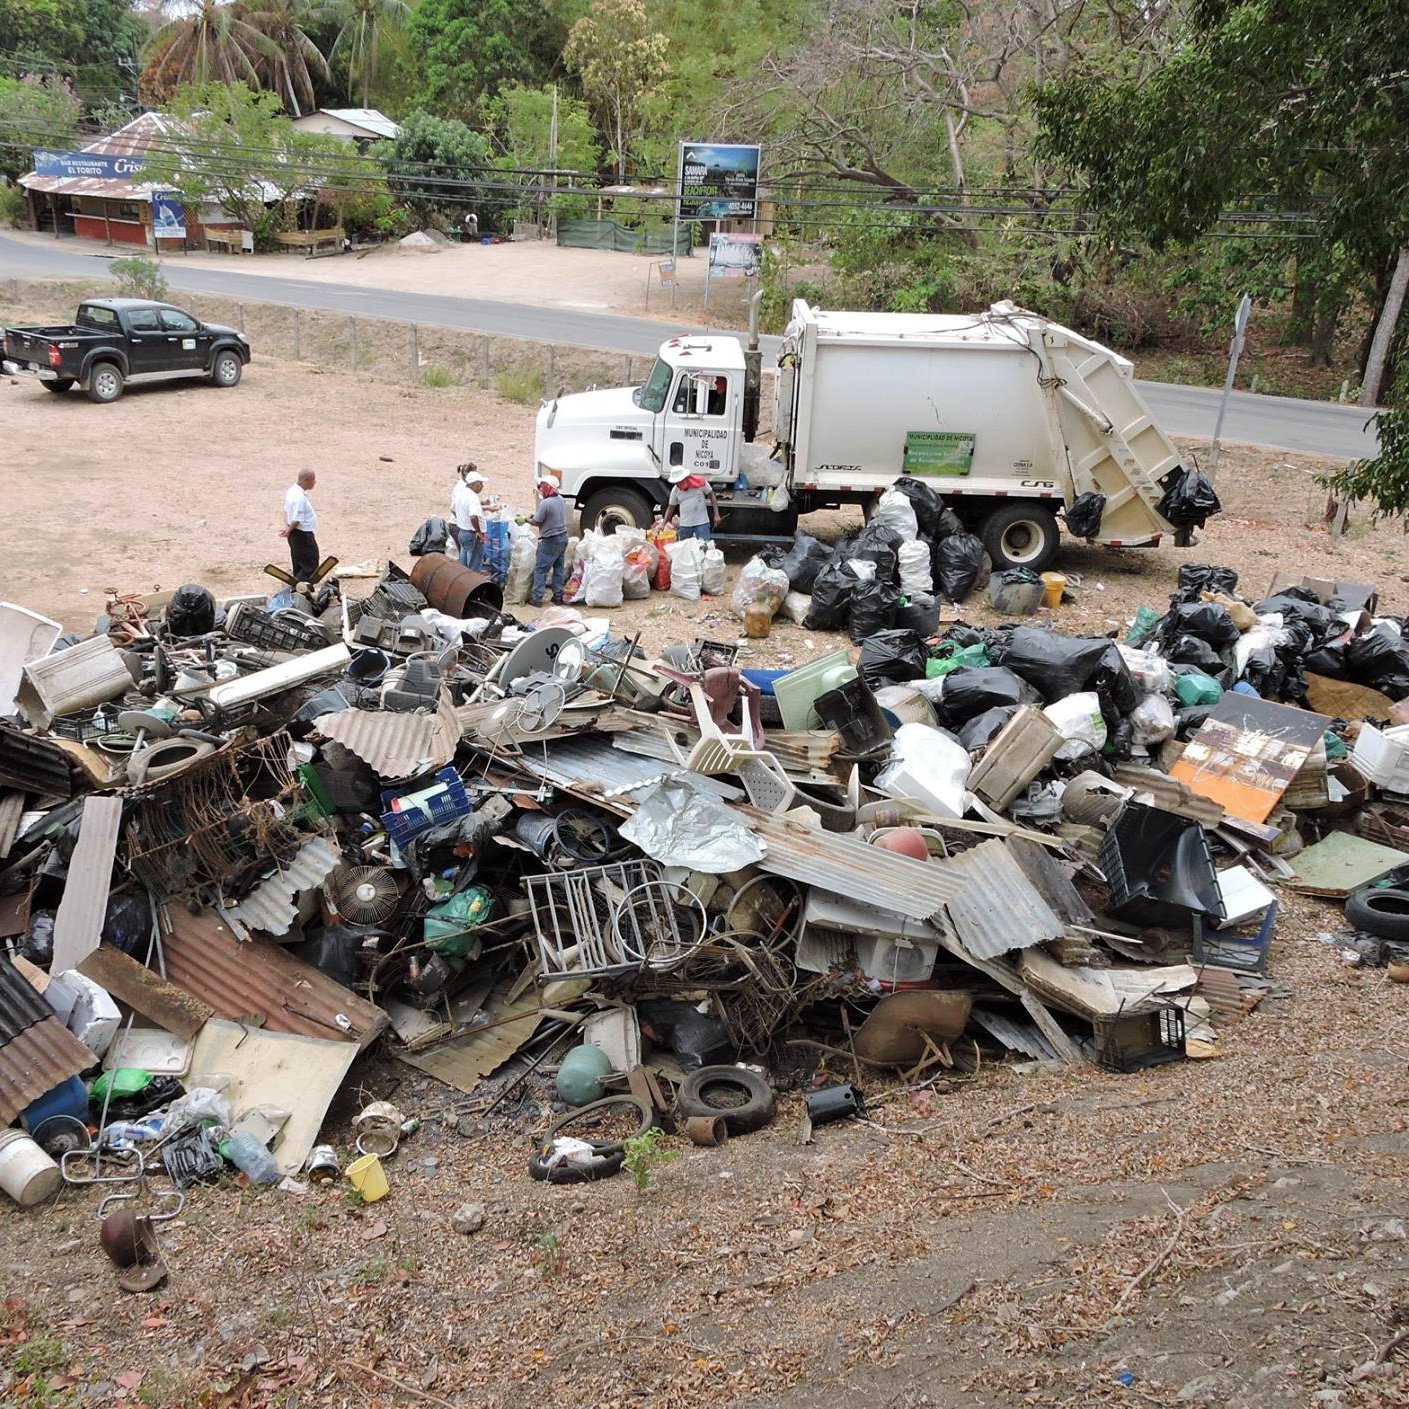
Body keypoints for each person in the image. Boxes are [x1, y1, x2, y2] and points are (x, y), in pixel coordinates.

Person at [528, 476, 569, 606]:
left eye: (542, 486)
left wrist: (526, 519)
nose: (540, 489)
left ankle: (537, 598)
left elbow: (537, 520)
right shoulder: (561, 500)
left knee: (541, 570)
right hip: (563, 538)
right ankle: (558, 596)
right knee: (558, 569)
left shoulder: (545, 503)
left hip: (550, 540)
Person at [281, 468, 319, 582]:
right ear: (306, 480)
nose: (315, 482)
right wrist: (288, 530)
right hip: (302, 534)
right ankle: (299, 589)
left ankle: (297, 588)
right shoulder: (299, 498)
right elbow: (297, 519)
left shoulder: (291, 491)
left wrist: (287, 527)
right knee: (310, 565)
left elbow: (286, 511)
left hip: (295, 534)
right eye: (313, 480)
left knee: (299, 563)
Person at [663, 469, 721, 541]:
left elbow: (712, 495)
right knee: (685, 548)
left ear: (685, 478)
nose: (678, 484)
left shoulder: (700, 483)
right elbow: (671, 507)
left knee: (703, 547)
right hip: (685, 525)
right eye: (676, 482)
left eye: (679, 482)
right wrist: (664, 524)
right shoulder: (675, 490)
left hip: (702, 523)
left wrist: (717, 515)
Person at [450, 463, 487, 571]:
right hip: (471, 534)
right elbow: (473, 516)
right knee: (474, 565)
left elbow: (452, 508)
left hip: (462, 532)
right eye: (481, 483)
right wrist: (479, 532)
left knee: (463, 564)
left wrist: (462, 520)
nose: (482, 486)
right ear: (474, 484)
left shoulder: (462, 493)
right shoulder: (472, 497)